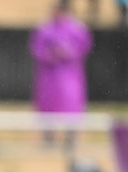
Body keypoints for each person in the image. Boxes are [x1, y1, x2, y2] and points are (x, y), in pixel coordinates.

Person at [29, 1, 92, 163]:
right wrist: (50, 54)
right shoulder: (44, 28)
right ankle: (48, 139)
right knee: (47, 106)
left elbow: (83, 47)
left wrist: (67, 52)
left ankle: (70, 139)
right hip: (49, 76)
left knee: (71, 106)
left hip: (69, 76)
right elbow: (36, 49)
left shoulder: (77, 29)